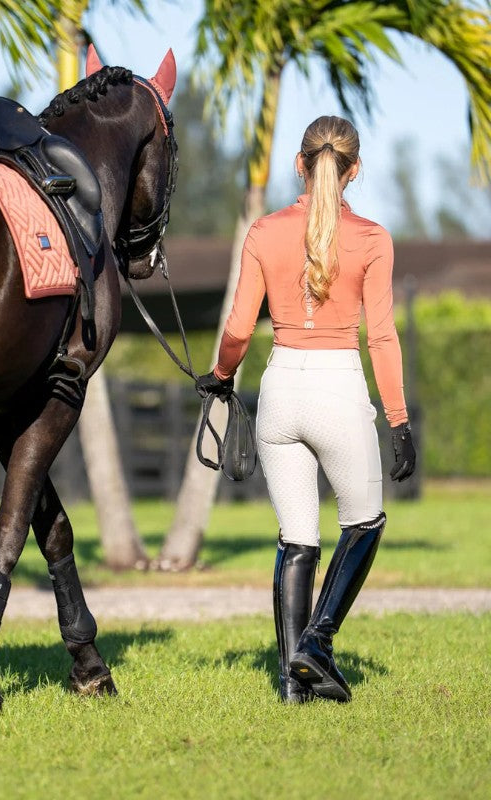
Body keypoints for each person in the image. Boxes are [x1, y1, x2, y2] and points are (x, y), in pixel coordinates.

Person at [197, 115, 416, 704]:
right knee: (364, 523)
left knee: (298, 542)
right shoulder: (372, 239)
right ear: (354, 170)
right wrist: (398, 419)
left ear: (300, 164)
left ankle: (293, 685)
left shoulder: (264, 232)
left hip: (281, 393)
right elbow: (383, 338)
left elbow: (239, 328)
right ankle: (317, 643)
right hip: (338, 390)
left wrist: (219, 377)